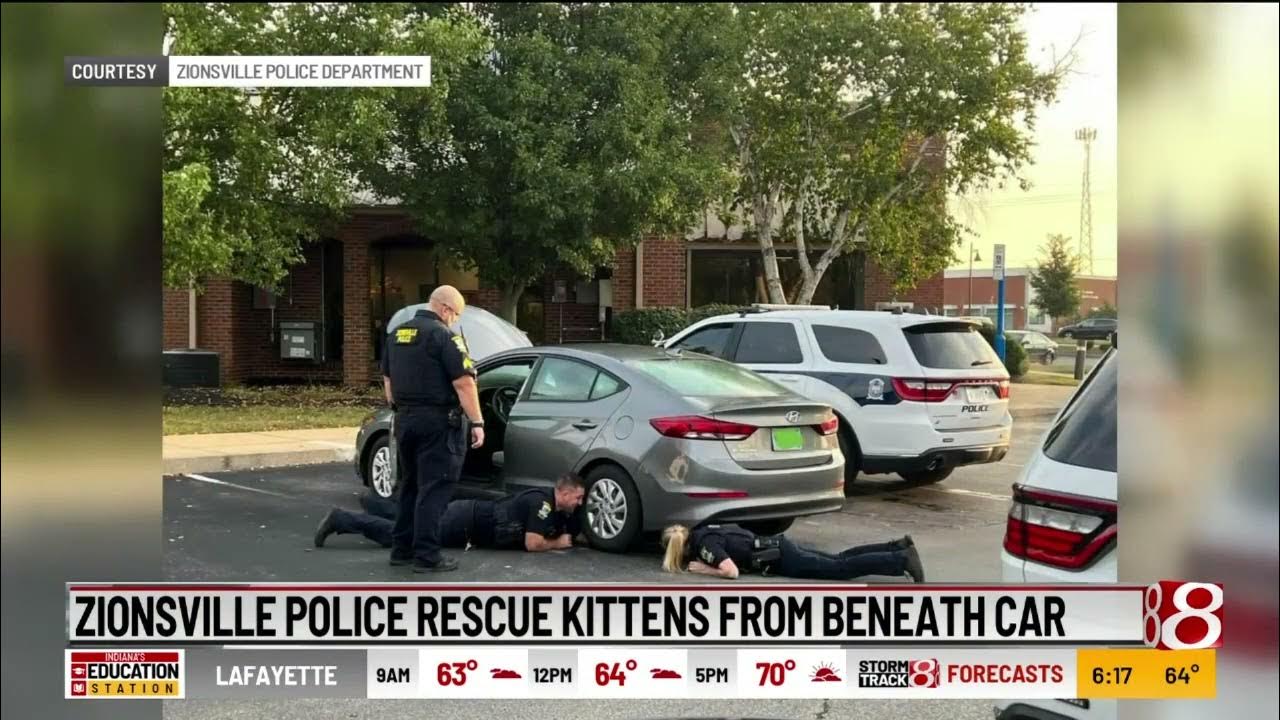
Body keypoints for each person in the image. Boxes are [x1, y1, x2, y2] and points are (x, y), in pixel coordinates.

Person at [381, 285, 484, 573]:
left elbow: (388, 380)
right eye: (456, 315)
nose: (455, 321)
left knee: (410, 486)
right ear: (446, 309)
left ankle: (401, 550)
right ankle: (427, 556)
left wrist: (402, 408)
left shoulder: (397, 335)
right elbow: (464, 382)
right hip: (438, 423)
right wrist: (477, 422)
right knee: (435, 488)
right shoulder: (444, 336)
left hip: (405, 420)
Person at [314, 473, 588, 553]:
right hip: (461, 524)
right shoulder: (542, 505)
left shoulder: (551, 505)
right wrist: (557, 544)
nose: (579, 503)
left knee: (408, 523)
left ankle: (372, 503)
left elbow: (571, 525)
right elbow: (533, 543)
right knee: (401, 537)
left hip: (464, 516)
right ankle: (341, 519)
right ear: (563, 493)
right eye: (577, 498)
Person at [659, 522, 926, 583]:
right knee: (839, 559)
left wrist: (706, 568)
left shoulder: (705, 546)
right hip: (776, 546)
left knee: (839, 569)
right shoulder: (707, 529)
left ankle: (901, 559)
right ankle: (897, 546)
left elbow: (732, 572)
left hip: (780, 559)